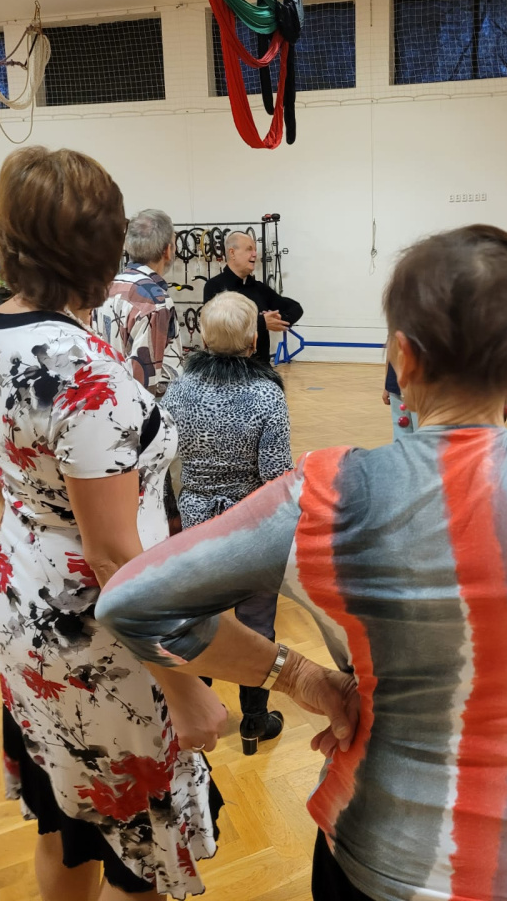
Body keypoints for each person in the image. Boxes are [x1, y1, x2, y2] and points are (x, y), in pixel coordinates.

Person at [97, 224, 507, 901]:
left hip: (373, 852)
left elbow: (131, 603)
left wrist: (297, 675)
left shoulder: (322, 493)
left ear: (404, 357)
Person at [0, 147, 226, 901]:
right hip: (101, 631)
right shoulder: (86, 376)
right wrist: (183, 687)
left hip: (24, 597)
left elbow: (2, 478)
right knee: (136, 857)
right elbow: (113, 554)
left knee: (66, 828)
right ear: (105, 247)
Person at [161, 291, 293, 755]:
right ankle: (254, 720)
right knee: (256, 625)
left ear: (202, 336)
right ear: (254, 339)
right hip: (251, 528)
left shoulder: (179, 390)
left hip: (196, 524)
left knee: (199, 618)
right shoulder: (266, 393)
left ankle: (200, 713)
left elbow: (163, 459)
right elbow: (276, 475)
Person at [92, 208, 183, 399]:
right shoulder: (156, 302)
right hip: (141, 409)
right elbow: (146, 384)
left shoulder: (106, 289)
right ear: (167, 250)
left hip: (108, 402)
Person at [202, 230, 303, 365]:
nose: (255, 254)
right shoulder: (214, 286)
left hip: (261, 369)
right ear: (232, 253)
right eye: (249, 249)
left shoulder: (259, 288)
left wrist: (277, 320)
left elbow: (295, 308)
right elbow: (216, 327)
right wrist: (261, 323)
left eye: (255, 250)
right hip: (228, 369)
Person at [381, 362, 416, 439]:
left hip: (421, 386)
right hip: (395, 383)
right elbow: (390, 356)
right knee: (400, 431)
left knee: (421, 430)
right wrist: (387, 385)